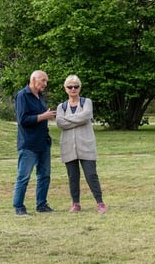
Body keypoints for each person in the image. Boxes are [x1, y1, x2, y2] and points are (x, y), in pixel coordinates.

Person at [56, 75, 107, 213]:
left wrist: (68, 119)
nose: (73, 89)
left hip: (86, 145)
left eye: (76, 86)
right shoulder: (62, 106)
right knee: (73, 176)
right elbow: (60, 123)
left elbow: (87, 115)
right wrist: (77, 119)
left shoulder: (86, 102)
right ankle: (76, 203)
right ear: (65, 88)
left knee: (91, 174)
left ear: (80, 87)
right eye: (70, 87)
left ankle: (100, 202)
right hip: (68, 147)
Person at [13, 70, 57, 215]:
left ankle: (42, 204)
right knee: (24, 176)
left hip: (43, 143)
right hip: (29, 144)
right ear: (33, 80)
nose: (45, 84)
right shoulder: (22, 96)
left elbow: (40, 117)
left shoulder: (40, 97)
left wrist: (46, 116)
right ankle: (19, 207)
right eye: (43, 80)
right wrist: (43, 116)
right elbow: (23, 120)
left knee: (44, 175)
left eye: (46, 81)